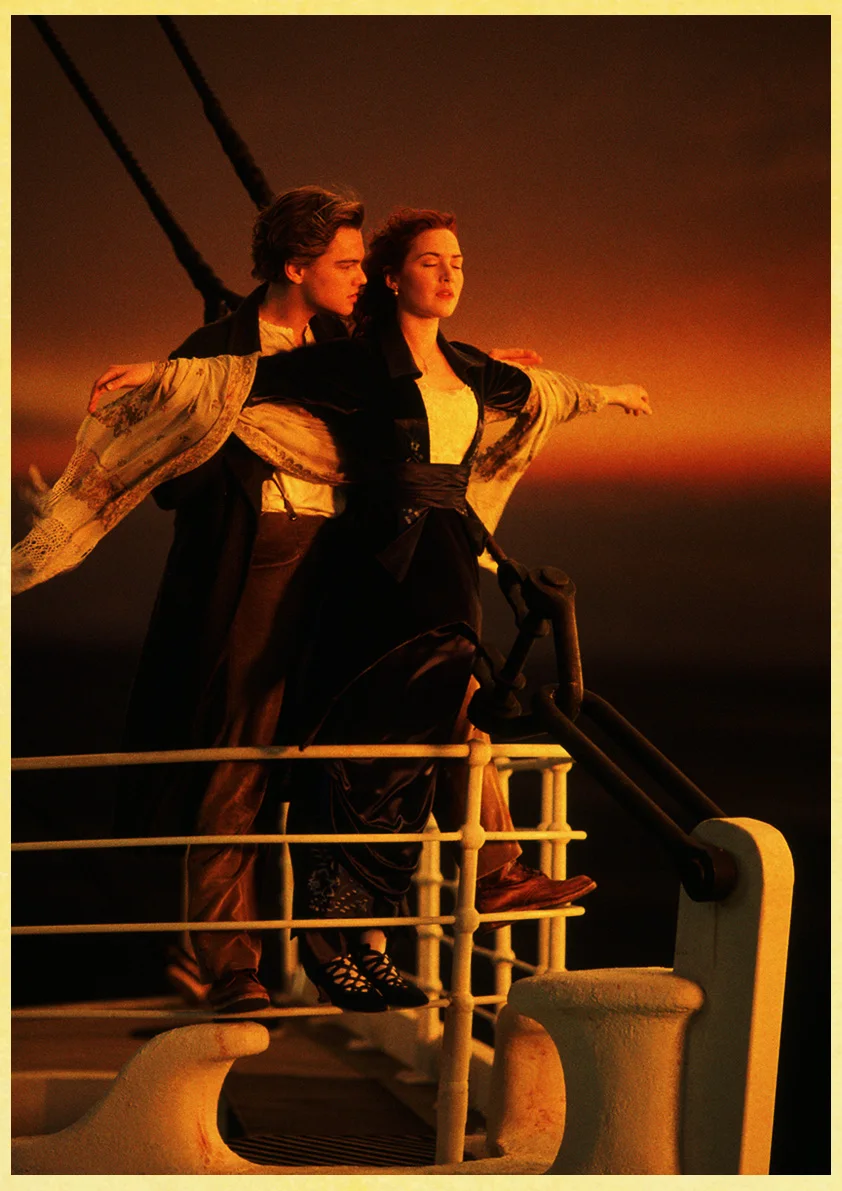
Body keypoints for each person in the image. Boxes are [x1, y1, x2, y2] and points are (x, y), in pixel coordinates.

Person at [64, 187, 619, 1014]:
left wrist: (481, 368)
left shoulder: (347, 342)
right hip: (261, 563)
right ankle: (233, 963)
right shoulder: (219, 350)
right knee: (244, 756)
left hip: (350, 562)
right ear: (298, 267)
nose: (362, 277)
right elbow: (177, 472)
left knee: (410, 716)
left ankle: (449, 889)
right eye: (348, 264)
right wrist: (188, 403)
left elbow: (419, 377)